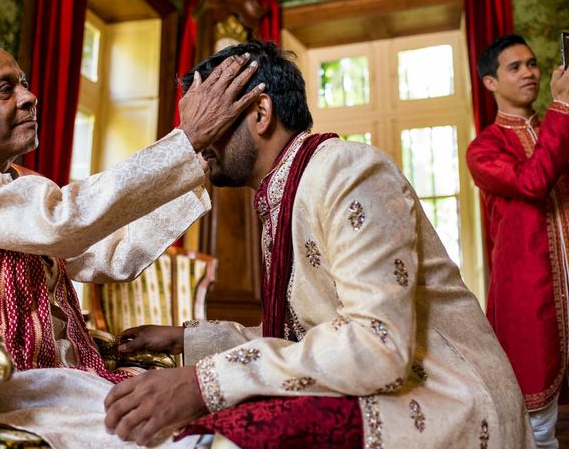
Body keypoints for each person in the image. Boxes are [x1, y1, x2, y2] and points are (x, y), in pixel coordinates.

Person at [105, 40, 535, 448]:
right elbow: (307, 337)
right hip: (385, 388)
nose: (195, 141)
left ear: (259, 112)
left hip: (447, 398)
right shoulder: (284, 192)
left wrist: (204, 382)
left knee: (215, 437)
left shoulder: (347, 170)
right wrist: (187, 340)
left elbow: (375, 344)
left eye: (206, 122)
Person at [0, 28, 264, 448]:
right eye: (5, 89)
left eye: (25, 84)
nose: (30, 97)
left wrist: (199, 156)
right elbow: (60, 222)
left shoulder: (8, 185)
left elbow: (114, 254)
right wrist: (185, 140)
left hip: (59, 378)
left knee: (222, 409)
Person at [466, 33, 569, 449]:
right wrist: (562, 107)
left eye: (532, 63)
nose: (529, 72)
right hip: (530, 297)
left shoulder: (557, 130)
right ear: (491, 82)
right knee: (538, 426)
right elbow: (533, 181)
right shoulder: (484, 148)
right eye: (515, 67)